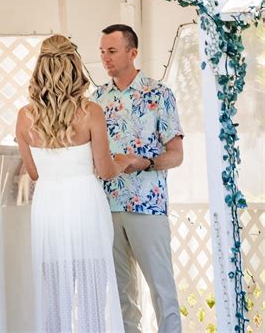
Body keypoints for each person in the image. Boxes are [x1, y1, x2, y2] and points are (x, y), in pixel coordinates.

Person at [16, 34, 135, 332]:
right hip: (85, 206)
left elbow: (33, 173)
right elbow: (106, 171)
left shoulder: (24, 117)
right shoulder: (90, 112)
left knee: (55, 298)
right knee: (93, 294)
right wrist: (124, 161)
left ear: (40, 68)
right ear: (74, 67)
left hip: (49, 209)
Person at [94, 24, 184, 333]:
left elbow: (176, 154)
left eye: (112, 51)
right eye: (102, 51)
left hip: (147, 206)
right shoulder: (96, 99)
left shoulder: (159, 94)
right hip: (107, 207)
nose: (105, 58)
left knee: (162, 290)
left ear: (133, 53)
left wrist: (144, 162)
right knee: (121, 295)